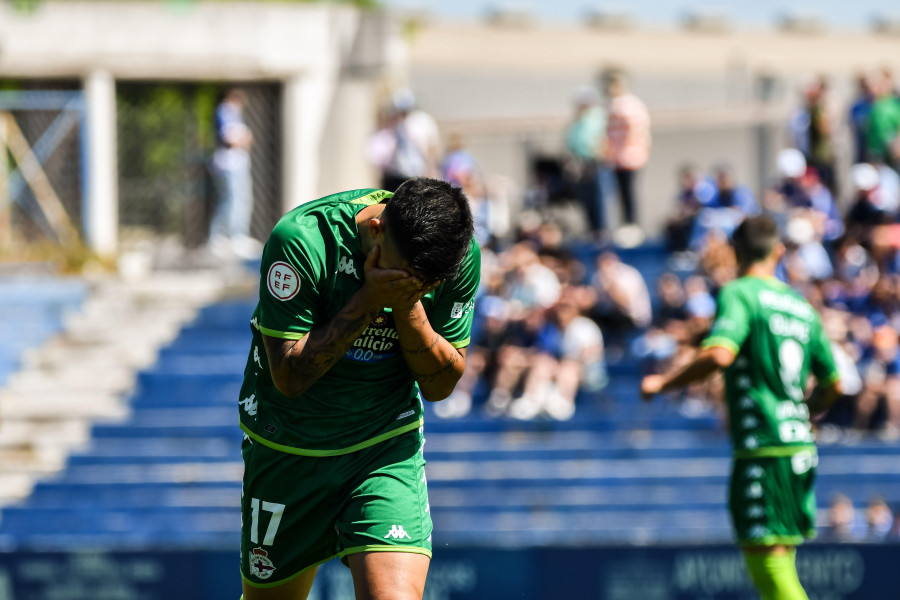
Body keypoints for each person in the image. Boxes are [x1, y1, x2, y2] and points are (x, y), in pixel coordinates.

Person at [238, 178, 478, 599]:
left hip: (383, 446)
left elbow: (441, 386)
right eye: (400, 274)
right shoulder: (303, 241)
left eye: (421, 283)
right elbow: (290, 378)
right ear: (376, 230)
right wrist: (370, 298)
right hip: (289, 448)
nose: (408, 285)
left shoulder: (456, 258)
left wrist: (407, 305)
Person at [641, 215, 842, 600]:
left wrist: (664, 382)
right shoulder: (799, 305)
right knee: (780, 559)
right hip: (798, 446)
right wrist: (803, 413)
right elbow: (834, 384)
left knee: (766, 563)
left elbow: (719, 354)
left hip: (763, 445)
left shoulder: (740, 293)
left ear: (735, 252)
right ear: (778, 251)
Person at [209, 88, 260, 259]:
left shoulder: (233, 114)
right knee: (233, 201)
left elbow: (245, 139)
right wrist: (242, 139)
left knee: (237, 200)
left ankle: (226, 237)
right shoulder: (225, 111)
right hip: (230, 164)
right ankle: (230, 237)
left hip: (237, 164)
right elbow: (231, 139)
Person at [602, 69, 650, 248]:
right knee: (619, 194)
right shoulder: (611, 104)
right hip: (616, 159)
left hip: (630, 158)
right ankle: (625, 224)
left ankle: (632, 225)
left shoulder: (629, 104)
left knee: (629, 193)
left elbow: (635, 129)